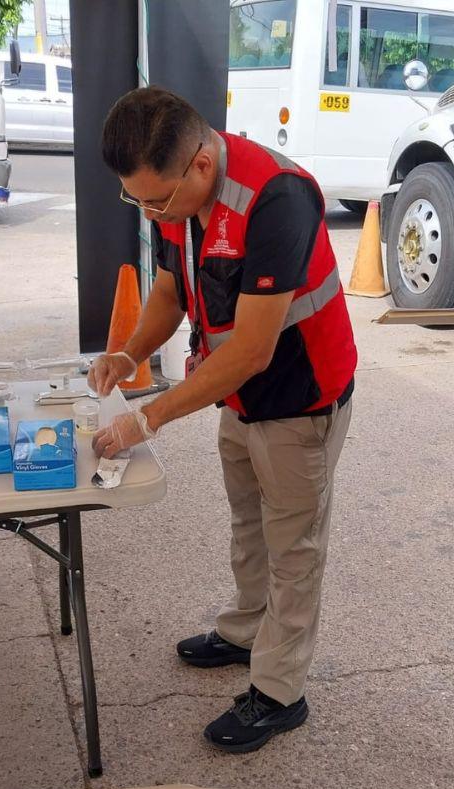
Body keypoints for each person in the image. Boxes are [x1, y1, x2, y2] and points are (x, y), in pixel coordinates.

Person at [91, 87, 358, 753]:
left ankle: (279, 691)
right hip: (238, 394)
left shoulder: (277, 198)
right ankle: (244, 632)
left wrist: (145, 420)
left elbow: (254, 348)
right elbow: (172, 290)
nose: (149, 211)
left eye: (155, 200)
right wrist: (129, 354)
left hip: (299, 396)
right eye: (138, 201)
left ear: (202, 166)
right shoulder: (177, 195)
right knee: (248, 519)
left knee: (293, 545)